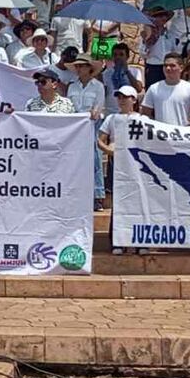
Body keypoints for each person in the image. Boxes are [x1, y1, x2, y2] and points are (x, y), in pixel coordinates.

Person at [98, 86, 144, 254]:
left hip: (137, 165)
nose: (122, 100)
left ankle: (140, 242)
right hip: (116, 163)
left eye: (126, 97)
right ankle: (118, 241)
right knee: (118, 202)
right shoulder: (111, 118)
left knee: (139, 201)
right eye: (119, 97)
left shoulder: (142, 119)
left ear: (134, 99)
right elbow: (100, 140)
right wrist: (109, 150)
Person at [67, 54, 106, 210]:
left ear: (89, 68)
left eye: (81, 66)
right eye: (77, 66)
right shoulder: (72, 86)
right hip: (76, 127)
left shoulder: (98, 86)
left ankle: (97, 196)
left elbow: (99, 107)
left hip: (92, 125)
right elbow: (70, 107)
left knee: (95, 159)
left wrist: (94, 113)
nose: (79, 68)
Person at [140, 53, 190, 126]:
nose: (168, 68)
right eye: (165, 65)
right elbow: (145, 113)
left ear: (181, 68)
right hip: (160, 135)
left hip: (183, 134)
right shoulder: (153, 88)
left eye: (172, 66)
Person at [101, 43, 143, 114]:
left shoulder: (135, 71)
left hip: (129, 112)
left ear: (127, 57)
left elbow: (139, 89)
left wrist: (127, 72)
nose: (118, 57)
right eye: (115, 55)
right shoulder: (106, 73)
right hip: (111, 112)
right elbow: (103, 93)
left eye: (121, 54)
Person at [139, 8, 174, 86]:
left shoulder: (170, 34)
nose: (163, 18)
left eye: (165, 16)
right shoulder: (148, 33)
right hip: (153, 67)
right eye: (160, 16)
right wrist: (146, 41)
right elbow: (142, 53)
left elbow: (174, 50)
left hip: (167, 66)